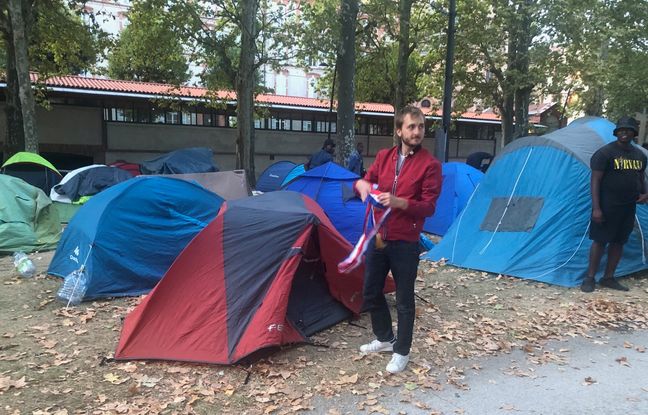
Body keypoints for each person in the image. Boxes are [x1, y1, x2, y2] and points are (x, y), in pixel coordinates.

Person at [354, 106, 442, 373]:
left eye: (421, 127)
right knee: (370, 292)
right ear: (399, 130)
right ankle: (384, 338)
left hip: (405, 241)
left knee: (404, 299)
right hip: (379, 237)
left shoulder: (430, 165)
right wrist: (363, 186)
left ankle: (401, 350)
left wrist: (398, 202)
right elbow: (365, 180)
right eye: (412, 127)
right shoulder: (384, 157)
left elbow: (428, 207)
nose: (417, 132)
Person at [581, 116, 648, 293]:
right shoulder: (605, 153)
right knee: (600, 241)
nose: (624, 133)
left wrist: (644, 193)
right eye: (621, 130)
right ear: (616, 133)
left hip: (628, 206)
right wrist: (596, 208)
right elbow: (595, 181)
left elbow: (641, 177)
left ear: (633, 133)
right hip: (607, 205)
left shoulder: (639, 155)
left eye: (628, 130)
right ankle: (590, 278)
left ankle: (608, 277)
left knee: (619, 241)